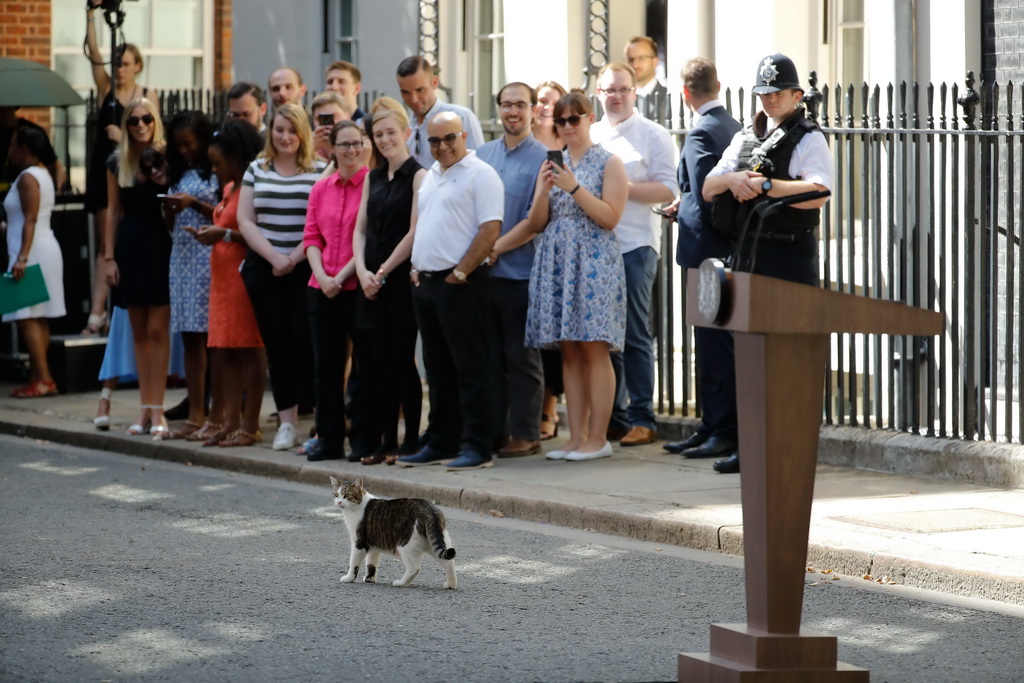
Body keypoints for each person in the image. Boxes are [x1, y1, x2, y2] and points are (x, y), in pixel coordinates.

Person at [702, 53, 834, 474]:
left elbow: (819, 192)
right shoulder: (746, 135)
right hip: (750, 254)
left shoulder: (809, 137)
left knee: (788, 359)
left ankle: (786, 450)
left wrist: (764, 184)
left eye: (778, 93)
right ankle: (752, 447)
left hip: (789, 255)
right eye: (764, 93)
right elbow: (708, 186)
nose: (770, 100)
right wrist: (734, 179)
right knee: (751, 356)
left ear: (797, 95)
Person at [396, 112, 503, 471]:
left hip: (462, 283)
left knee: (471, 368)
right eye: (434, 141)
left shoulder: (481, 174)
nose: (441, 147)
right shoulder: (432, 177)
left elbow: (490, 229)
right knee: (437, 369)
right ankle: (442, 441)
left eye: (449, 139)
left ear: (464, 137)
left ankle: (477, 446)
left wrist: (460, 272)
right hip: (426, 283)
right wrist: (414, 267)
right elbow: (424, 225)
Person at [524, 92, 628, 461]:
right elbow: (536, 223)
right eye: (561, 121)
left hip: (594, 259)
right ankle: (576, 437)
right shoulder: (553, 163)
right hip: (558, 259)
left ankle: (598, 438)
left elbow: (610, 216)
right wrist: (543, 190)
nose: (568, 126)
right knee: (568, 349)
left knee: (593, 347)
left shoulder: (609, 162)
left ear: (589, 118)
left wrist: (573, 188)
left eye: (575, 119)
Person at [591, 62, 678, 447]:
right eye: (610, 90)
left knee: (635, 332)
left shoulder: (653, 135)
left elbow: (668, 189)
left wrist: (619, 187)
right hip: (595, 249)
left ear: (634, 93)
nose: (616, 96)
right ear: (598, 93)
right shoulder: (589, 134)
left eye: (623, 89)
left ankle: (643, 417)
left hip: (635, 246)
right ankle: (615, 416)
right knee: (603, 336)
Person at [662, 57, 743, 459]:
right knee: (718, 342)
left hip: (705, 249)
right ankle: (712, 424)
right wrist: (687, 203)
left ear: (685, 93)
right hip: (723, 247)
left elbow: (707, 194)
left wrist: (687, 207)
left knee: (711, 344)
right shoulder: (732, 126)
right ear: (719, 85)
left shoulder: (700, 133)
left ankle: (720, 428)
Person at [237, 103, 325, 451]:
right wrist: (274, 257)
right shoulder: (256, 168)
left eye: (292, 130)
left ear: (302, 133)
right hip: (265, 265)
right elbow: (245, 220)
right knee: (278, 347)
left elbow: (322, 222)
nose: (285, 137)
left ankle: (320, 421)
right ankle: (286, 422)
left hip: (307, 264)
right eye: (279, 130)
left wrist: (293, 257)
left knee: (309, 345)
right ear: (269, 132)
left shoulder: (319, 169)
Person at [352, 106, 425, 465]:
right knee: (376, 363)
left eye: (390, 133)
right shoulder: (372, 177)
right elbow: (360, 229)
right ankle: (385, 440)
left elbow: (414, 231)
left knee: (401, 361)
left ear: (406, 132)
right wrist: (363, 273)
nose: (384, 140)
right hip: (370, 281)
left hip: (397, 280)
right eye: (378, 135)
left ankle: (410, 439)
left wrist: (382, 271)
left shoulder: (419, 176)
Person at [479, 82, 548, 458]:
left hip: (520, 274)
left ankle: (526, 433)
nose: (513, 111)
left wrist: (493, 249)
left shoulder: (543, 157)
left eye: (520, 104)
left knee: (521, 357)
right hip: (482, 275)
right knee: (489, 358)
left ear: (533, 110)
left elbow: (534, 220)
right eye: (506, 104)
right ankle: (495, 431)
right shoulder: (482, 154)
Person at [102, 99, 171, 437]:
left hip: (162, 245)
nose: (141, 124)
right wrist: (109, 258)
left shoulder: (167, 159)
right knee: (139, 331)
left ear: (155, 121)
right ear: (126, 126)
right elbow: (113, 212)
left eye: (147, 118)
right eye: (133, 120)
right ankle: (145, 409)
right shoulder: (117, 162)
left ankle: (158, 410)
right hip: (131, 246)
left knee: (159, 330)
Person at [301, 121, 367, 461]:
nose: (352, 150)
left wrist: (339, 278)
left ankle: (361, 438)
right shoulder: (320, 188)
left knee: (361, 368)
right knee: (325, 367)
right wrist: (323, 277)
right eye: (345, 144)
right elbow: (311, 237)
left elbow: (367, 238)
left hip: (355, 285)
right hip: (321, 285)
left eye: (357, 143)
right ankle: (328, 438)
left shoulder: (371, 184)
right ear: (333, 148)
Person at [83, 3, 151, 336]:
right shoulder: (106, 88)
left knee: (129, 239)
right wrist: (90, 16)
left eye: (125, 64)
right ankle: (97, 313)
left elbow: (151, 135)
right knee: (104, 243)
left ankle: (123, 311)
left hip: (131, 171)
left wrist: (121, 134)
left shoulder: (145, 95)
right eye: (117, 64)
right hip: (104, 170)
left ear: (137, 66)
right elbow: (94, 54)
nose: (119, 69)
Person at [201, 119, 267, 447]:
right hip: (222, 281)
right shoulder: (228, 189)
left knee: (249, 351)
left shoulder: (251, 190)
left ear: (237, 158)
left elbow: (258, 233)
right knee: (224, 351)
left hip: (242, 278)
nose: (214, 170)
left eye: (217, 163)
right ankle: (228, 421)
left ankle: (250, 424)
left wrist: (223, 233)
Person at [161, 111, 219, 439]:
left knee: (211, 339)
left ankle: (212, 414)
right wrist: (169, 210)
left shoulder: (216, 170)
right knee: (189, 338)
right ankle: (195, 414)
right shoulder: (178, 172)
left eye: (189, 143)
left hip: (209, 257)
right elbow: (170, 226)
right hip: (182, 258)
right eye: (178, 145)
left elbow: (229, 214)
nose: (184, 150)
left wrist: (194, 204)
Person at [3, 127, 64, 398]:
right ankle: (39, 376)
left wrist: (22, 258)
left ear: (25, 149)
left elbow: (30, 219)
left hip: (30, 252)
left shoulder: (28, 177)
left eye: (13, 145)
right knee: (35, 316)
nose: (10, 150)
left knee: (26, 317)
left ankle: (44, 377)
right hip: (37, 248)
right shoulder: (42, 174)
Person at [531, 80, 569, 441]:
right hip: (524, 246)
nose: (544, 107)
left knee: (555, 338)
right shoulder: (524, 146)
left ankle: (550, 407)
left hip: (558, 247)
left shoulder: (566, 149)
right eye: (540, 101)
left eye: (551, 103)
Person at [395, 56, 485, 169]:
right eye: (405, 92)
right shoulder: (406, 127)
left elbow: (480, 165)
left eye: (419, 90)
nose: (414, 99)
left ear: (435, 82)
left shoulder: (462, 116)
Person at [625, 36, 669, 121]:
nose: (635, 65)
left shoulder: (667, 97)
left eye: (641, 58)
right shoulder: (623, 98)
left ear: (655, 61)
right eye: (630, 59)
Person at [310, 91, 353, 161]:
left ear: (347, 116)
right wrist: (309, 150)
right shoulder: (308, 146)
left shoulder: (357, 144)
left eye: (332, 117)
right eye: (321, 119)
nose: (328, 123)